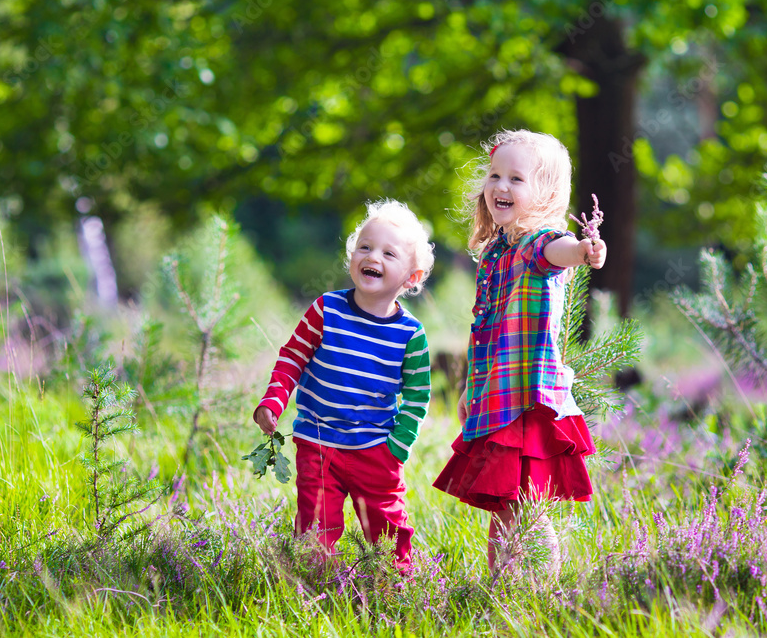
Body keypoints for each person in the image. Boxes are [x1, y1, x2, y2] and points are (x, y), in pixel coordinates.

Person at [432, 128, 607, 572]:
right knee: (506, 507)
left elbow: (559, 251)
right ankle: (505, 589)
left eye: (516, 178)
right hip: (499, 395)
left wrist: (585, 250)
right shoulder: (496, 251)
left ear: (545, 193)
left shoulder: (535, 244)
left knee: (527, 506)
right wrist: (474, 391)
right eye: (494, 175)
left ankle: (540, 591)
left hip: (528, 399)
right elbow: (485, 333)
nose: (500, 186)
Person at [252, 199, 434, 571]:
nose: (373, 256)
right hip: (318, 444)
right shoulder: (326, 310)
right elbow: (292, 357)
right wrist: (274, 400)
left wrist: (396, 448)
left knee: (386, 534)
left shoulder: (410, 335)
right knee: (315, 532)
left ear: (411, 278)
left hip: (375, 451)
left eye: (388, 252)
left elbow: (417, 398)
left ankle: (395, 588)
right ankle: (314, 587)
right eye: (364, 247)